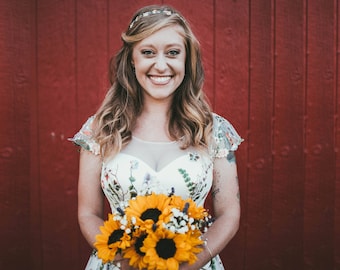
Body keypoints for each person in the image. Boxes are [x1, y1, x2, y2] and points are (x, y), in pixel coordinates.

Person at [70, 5, 243, 270]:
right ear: (132, 58)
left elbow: (229, 214)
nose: (160, 65)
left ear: (187, 59)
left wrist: (189, 264)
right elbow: (88, 214)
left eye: (173, 53)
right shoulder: (100, 129)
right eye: (148, 52)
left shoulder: (213, 130)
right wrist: (125, 262)